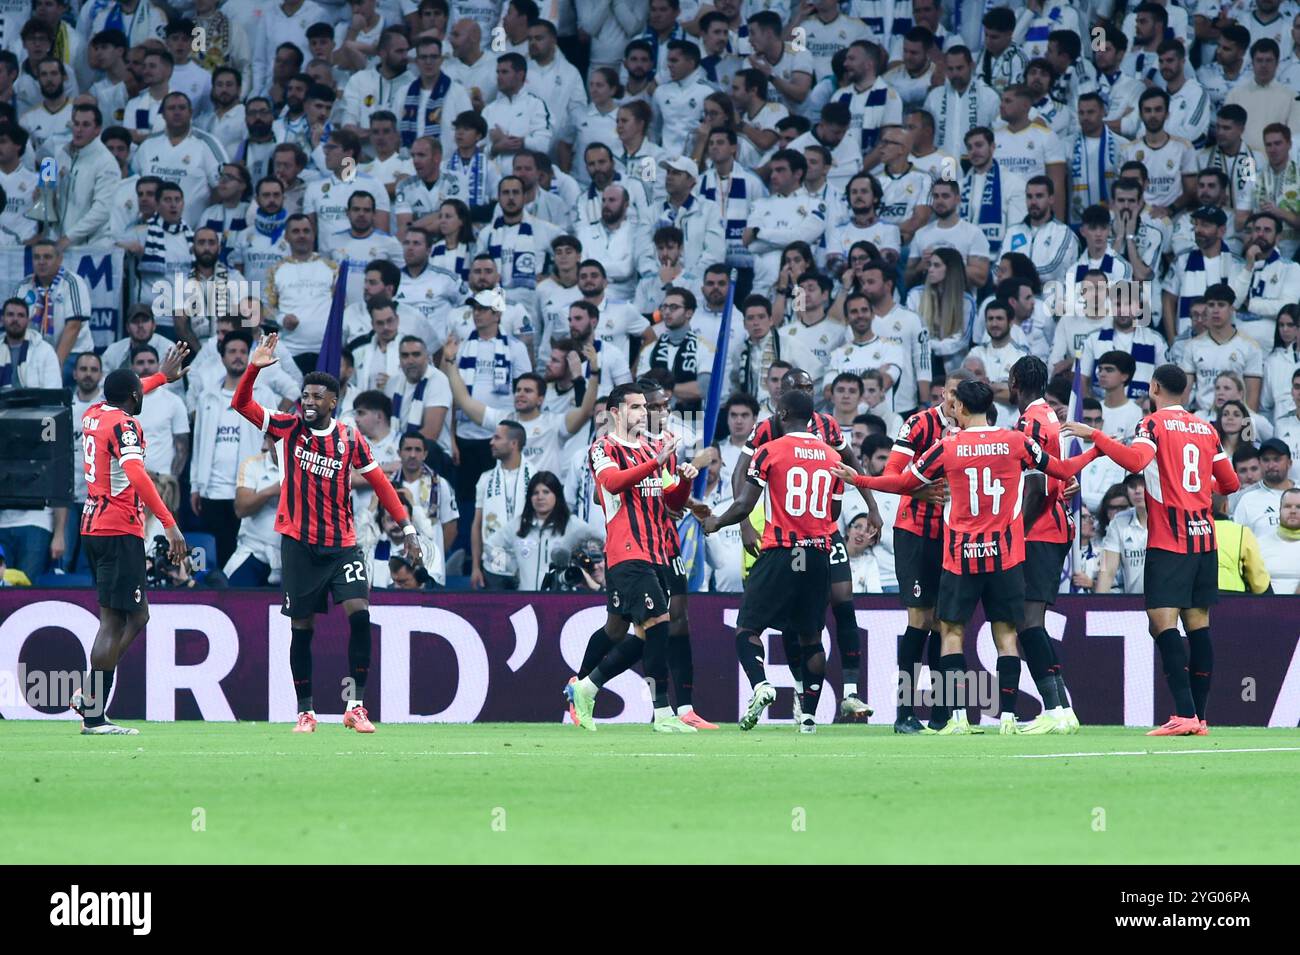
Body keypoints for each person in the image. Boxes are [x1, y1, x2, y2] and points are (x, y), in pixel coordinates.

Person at [841, 378, 1089, 735]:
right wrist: (1096, 448)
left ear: (960, 404)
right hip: (922, 534)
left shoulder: (950, 445)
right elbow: (1056, 471)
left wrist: (860, 480)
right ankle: (908, 711)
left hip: (957, 546)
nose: (951, 400)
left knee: (948, 628)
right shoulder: (927, 426)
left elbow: (899, 481)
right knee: (926, 623)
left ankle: (949, 715)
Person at [230, 333, 422, 735]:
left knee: (360, 615)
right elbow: (241, 404)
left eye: (318, 397)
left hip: (343, 546)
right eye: (305, 396)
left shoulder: (351, 438)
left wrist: (406, 527)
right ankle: (306, 711)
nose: (309, 402)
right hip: (299, 545)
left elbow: (383, 486)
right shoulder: (287, 428)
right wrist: (254, 369)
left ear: (333, 402)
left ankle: (355, 706)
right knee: (302, 628)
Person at [1062, 363, 1241, 735]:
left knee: (1162, 624)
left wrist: (1095, 435)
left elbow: (1135, 461)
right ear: (1187, 391)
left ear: (1155, 387)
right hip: (1204, 538)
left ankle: (1185, 714)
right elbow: (1230, 483)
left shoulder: (1153, 424)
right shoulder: (1206, 429)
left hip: (1170, 541)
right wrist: (1194, 486)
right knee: (1198, 625)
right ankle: (1200, 717)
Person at [703, 389, 842, 733]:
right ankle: (808, 717)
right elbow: (834, 511)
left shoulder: (769, 451)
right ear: (811, 418)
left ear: (781, 413)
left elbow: (745, 504)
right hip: (818, 554)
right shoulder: (831, 457)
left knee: (748, 628)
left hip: (782, 550)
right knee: (811, 637)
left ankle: (761, 684)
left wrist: (716, 522)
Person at [567, 382, 700, 734]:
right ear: (615, 413)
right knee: (658, 624)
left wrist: (684, 482)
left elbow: (670, 504)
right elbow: (611, 483)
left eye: (645, 407)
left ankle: (586, 687)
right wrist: (655, 462)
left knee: (636, 632)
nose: (644, 413)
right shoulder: (602, 447)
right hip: (627, 552)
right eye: (636, 407)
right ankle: (663, 713)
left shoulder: (655, 448)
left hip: (656, 551)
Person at [71, 349, 190, 734]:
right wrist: (170, 524)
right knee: (114, 621)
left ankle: (89, 696)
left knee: (137, 616)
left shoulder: (94, 413)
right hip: (118, 527)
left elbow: (128, 393)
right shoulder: (126, 426)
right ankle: (93, 714)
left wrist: (161, 378)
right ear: (135, 397)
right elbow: (137, 474)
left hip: (94, 525)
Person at [1009, 355, 1081, 734]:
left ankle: (1056, 709)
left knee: (1029, 622)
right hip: (1051, 527)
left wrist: (1016, 532)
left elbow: (1036, 485)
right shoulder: (1046, 415)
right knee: (1029, 622)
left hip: (1041, 531)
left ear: (1016, 380)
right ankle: (1061, 708)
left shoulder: (1033, 420)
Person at [1232, 438, 1296, 539]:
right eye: (1266, 460)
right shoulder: (1247, 500)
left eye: (1277, 459)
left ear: (1289, 463)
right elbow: (1237, 541)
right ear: (1260, 463)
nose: (1271, 465)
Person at [1096, 473, 1149, 595]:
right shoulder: (1118, 521)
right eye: (1132, 485)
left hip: (1169, 607)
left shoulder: (1172, 519)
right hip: (1133, 606)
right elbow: (1107, 571)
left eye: (1143, 484)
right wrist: (1097, 605)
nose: (1137, 490)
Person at [1256, 487, 1300, 594]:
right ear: (1279, 510)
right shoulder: (1259, 544)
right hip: (1265, 607)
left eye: (1299, 507)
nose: (1293, 511)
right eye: (1288, 506)